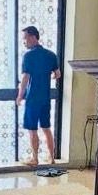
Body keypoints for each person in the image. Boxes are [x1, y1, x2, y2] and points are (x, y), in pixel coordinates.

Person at [16, 25, 61, 166]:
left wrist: (20, 96)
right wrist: (47, 75)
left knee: (32, 130)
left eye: (25, 38)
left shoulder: (28, 56)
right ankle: (51, 158)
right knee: (46, 128)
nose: (24, 42)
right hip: (45, 98)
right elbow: (57, 74)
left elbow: (25, 78)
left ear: (32, 37)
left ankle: (35, 158)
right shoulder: (51, 55)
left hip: (32, 98)